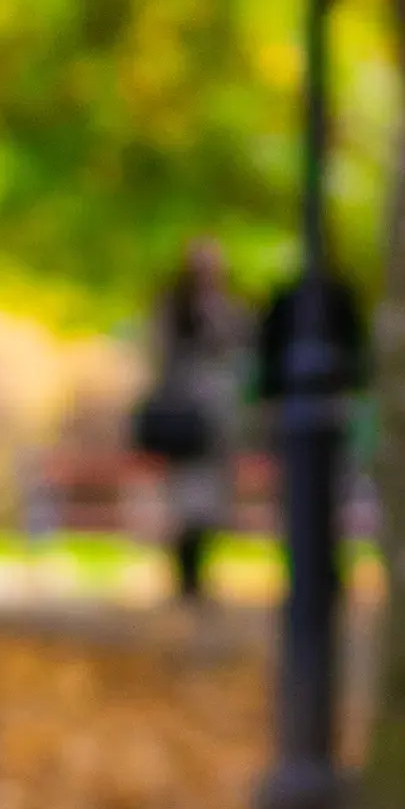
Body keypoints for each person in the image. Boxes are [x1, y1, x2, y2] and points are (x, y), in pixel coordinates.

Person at [138, 240, 245, 604]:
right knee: (186, 500)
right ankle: (186, 578)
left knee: (211, 501)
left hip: (217, 416)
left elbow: (239, 346)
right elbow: (160, 353)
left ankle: (198, 575)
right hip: (187, 416)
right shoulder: (175, 308)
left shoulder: (227, 306)